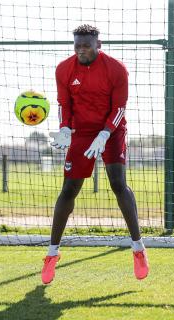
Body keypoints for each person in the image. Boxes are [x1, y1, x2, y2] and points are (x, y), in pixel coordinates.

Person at [42, 25, 149, 284]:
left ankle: (138, 248)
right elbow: (63, 104)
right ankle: (51, 254)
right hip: (80, 132)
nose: (81, 50)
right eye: (77, 46)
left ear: (98, 44)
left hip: (111, 130)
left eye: (86, 45)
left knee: (117, 183)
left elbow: (120, 107)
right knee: (69, 189)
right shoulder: (63, 69)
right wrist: (65, 129)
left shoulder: (116, 69)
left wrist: (105, 134)